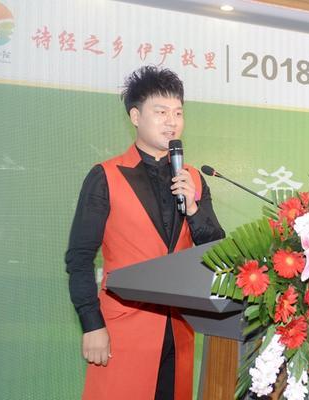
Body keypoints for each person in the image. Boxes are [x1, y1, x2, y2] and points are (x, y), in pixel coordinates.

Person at [65, 66, 225, 400]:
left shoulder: (194, 179)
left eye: (178, 113)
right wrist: (92, 324)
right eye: (161, 112)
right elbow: (79, 258)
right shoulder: (105, 175)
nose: (172, 121)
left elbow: (216, 250)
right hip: (123, 326)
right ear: (136, 116)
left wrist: (193, 208)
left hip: (179, 328)